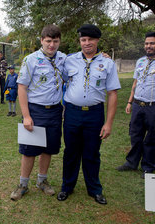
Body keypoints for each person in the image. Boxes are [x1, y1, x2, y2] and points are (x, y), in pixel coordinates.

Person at [57, 24, 121, 205]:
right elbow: (57, 75)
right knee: (70, 152)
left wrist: (108, 123)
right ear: (80, 41)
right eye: (83, 40)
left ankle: (94, 190)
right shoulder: (69, 60)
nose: (87, 43)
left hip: (94, 115)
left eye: (90, 39)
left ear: (97, 40)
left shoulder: (107, 63)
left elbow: (113, 94)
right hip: (72, 113)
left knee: (92, 153)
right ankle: (67, 187)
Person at [10, 24, 66, 201]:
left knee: (48, 149)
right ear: (41, 40)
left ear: (59, 42)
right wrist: (26, 116)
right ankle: (23, 184)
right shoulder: (31, 60)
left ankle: (42, 181)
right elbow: (21, 88)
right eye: (48, 41)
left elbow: (83, 60)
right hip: (35, 110)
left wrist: (101, 55)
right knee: (29, 150)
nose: (51, 45)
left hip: (55, 110)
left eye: (55, 41)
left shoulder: (64, 59)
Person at [116, 32, 155, 179]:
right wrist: (129, 102)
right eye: (146, 43)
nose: (148, 46)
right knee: (135, 134)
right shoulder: (140, 62)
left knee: (151, 137)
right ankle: (131, 162)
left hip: (153, 106)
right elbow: (135, 83)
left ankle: (148, 167)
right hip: (138, 105)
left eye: (152, 43)